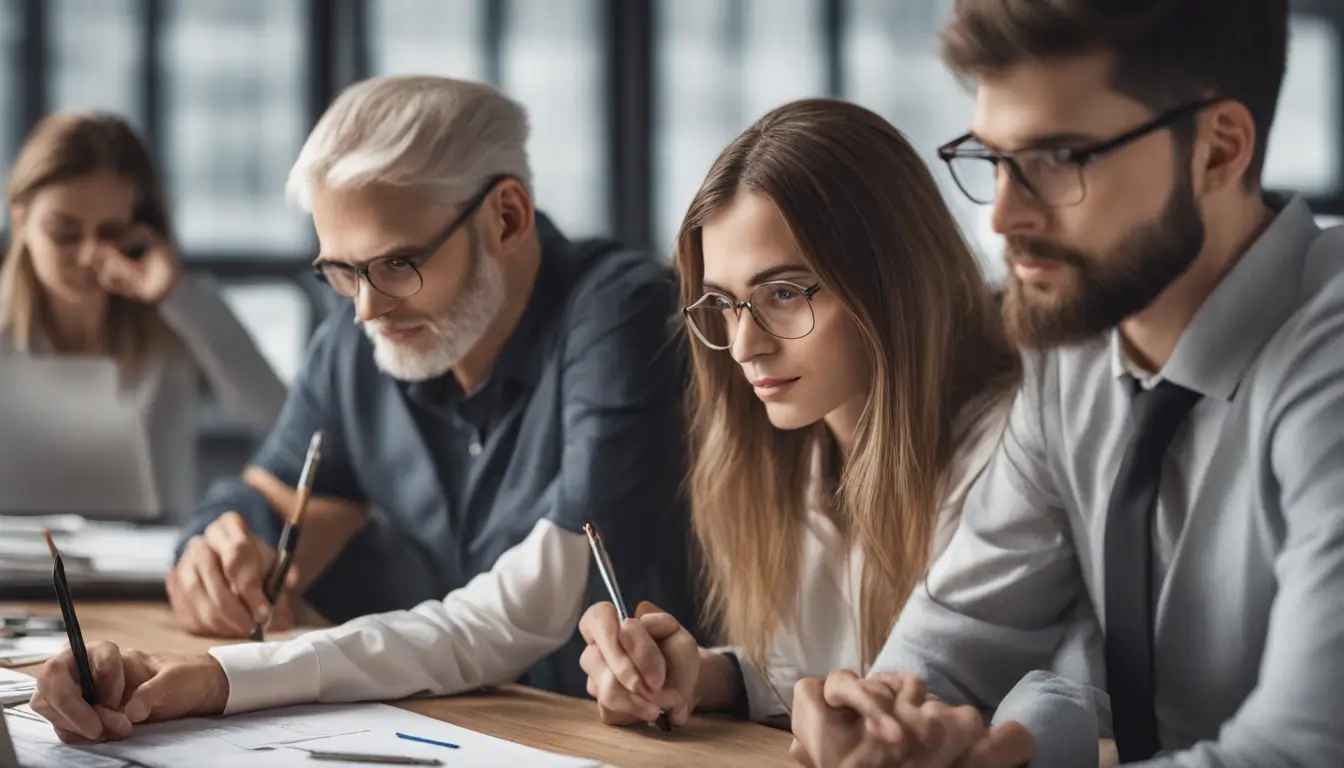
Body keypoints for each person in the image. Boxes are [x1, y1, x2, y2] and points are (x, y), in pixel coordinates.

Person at [27, 75, 696, 743]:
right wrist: (220, 547)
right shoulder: (366, 340)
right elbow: (271, 500)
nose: (366, 310)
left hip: (657, 736)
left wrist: (225, 675)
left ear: (507, 218)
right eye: (340, 271)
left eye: (398, 263)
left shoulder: (623, 318)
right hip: (481, 722)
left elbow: (534, 606)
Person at [789, 0, 1344, 766]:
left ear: (1218, 151)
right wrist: (877, 723)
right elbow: (953, 640)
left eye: (1057, 158)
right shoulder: (1073, 347)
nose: (1003, 217)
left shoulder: (1327, 356)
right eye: (993, 158)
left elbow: (1302, 751)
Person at [575, 98, 1036, 730]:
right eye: (725, 304)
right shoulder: (802, 444)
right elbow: (821, 668)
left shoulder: (1010, 450)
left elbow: (911, 699)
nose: (744, 347)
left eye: (784, 293)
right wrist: (699, 674)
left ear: (892, 279)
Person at [0, 111, 286, 517]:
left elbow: (276, 414)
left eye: (111, 233)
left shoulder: (179, 315)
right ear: (21, 220)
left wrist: (176, 295)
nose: (88, 255)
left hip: (150, 552)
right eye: (64, 233)